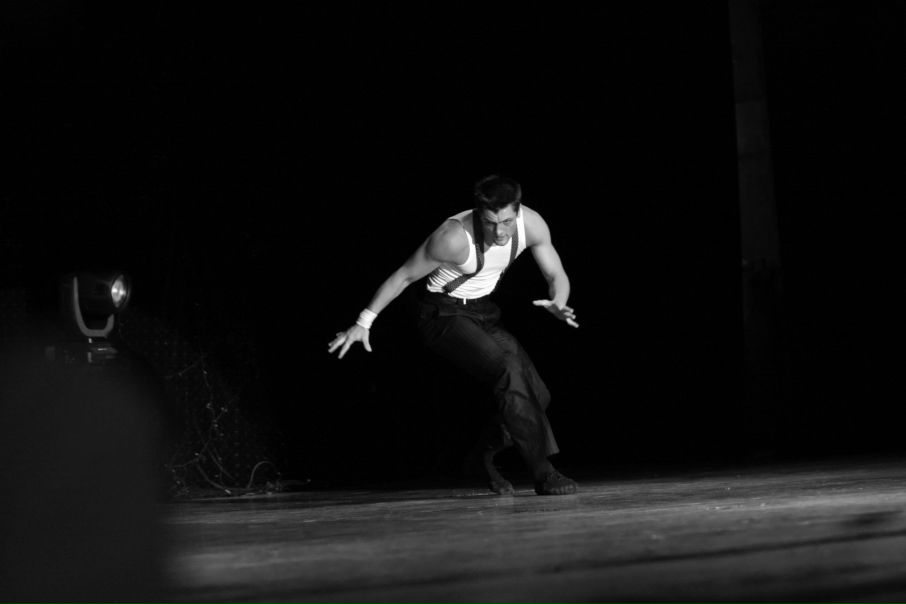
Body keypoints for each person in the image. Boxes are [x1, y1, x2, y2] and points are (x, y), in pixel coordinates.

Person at [327, 175, 579, 496]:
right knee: (508, 370)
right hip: (441, 315)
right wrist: (364, 321)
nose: (500, 233)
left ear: (517, 212)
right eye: (491, 223)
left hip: (482, 310)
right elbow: (403, 276)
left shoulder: (532, 225)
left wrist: (559, 301)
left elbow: (555, 273)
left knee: (538, 395)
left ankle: (481, 455)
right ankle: (544, 473)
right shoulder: (452, 238)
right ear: (478, 214)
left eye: (506, 222)